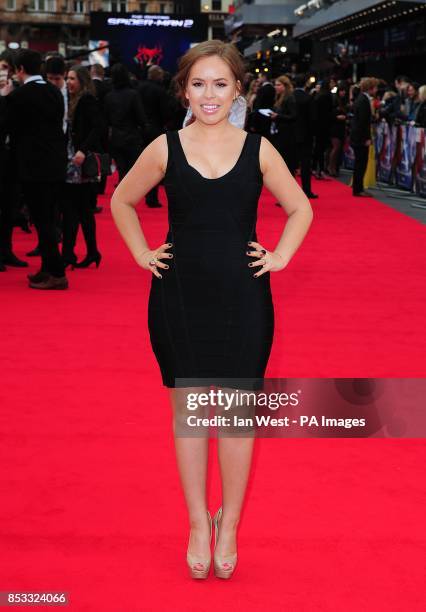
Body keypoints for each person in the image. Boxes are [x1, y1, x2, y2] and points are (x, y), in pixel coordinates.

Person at [110, 40, 313, 580]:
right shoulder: (164, 147)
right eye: (198, 83)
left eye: (220, 84)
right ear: (183, 89)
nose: (209, 94)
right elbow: (121, 201)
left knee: (237, 417)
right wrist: (140, 252)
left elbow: (300, 207)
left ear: (238, 89)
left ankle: (231, 526)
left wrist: (281, 256)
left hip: (245, 298)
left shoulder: (258, 149)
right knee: (192, 416)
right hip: (179, 296)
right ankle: (199, 522)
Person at [5, 49, 68, 289]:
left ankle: (56, 272)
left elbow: (7, 126)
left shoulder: (19, 96)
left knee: (42, 221)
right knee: (48, 218)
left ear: (20, 70)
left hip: (32, 167)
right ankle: (47, 268)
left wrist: (5, 97)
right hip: (54, 164)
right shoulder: (54, 91)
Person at [62, 65, 103, 269]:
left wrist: (83, 150)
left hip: (79, 162)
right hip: (71, 161)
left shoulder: (86, 99)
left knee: (74, 209)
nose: (69, 82)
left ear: (82, 81)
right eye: (67, 78)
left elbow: (98, 127)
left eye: (72, 79)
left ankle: (70, 253)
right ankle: (90, 251)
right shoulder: (70, 99)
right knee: (81, 210)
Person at [104, 63, 147, 183]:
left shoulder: (109, 96)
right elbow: (141, 118)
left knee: (122, 169)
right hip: (132, 137)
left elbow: (106, 119)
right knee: (131, 169)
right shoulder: (133, 95)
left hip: (116, 138)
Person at [138, 65, 172, 207]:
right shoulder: (160, 91)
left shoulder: (138, 88)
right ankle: (151, 197)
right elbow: (166, 112)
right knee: (155, 165)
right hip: (155, 130)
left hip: (140, 130)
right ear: (157, 76)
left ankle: (138, 193)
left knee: (140, 163)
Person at [350, 77, 378, 197]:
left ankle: (358, 187)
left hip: (358, 136)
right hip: (360, 137)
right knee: (361, 163)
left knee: (360, 163)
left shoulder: (361, 99)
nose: (377, 89)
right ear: (370, 88)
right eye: (375, 87)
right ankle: (358, 189)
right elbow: (362, 122)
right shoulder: (363, 100)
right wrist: (366, 138)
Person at [293, 74, 318, 199]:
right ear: (305, 84)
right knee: (305, 164)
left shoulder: (290, 97)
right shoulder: (308, 98)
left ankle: (287, 194)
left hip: (291, 135)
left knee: (289, 165)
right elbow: (313, 119)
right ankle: (306, 190)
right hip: (305, 135)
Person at [270, 75, 297, 176]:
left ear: (284, 86)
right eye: (275, 85)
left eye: (278, 85)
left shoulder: (289, 98)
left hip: (287, 134)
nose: (276, 87)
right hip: (280, 132)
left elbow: (293, 116)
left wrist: (278, 116)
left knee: (286, 158)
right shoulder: (279, 97)